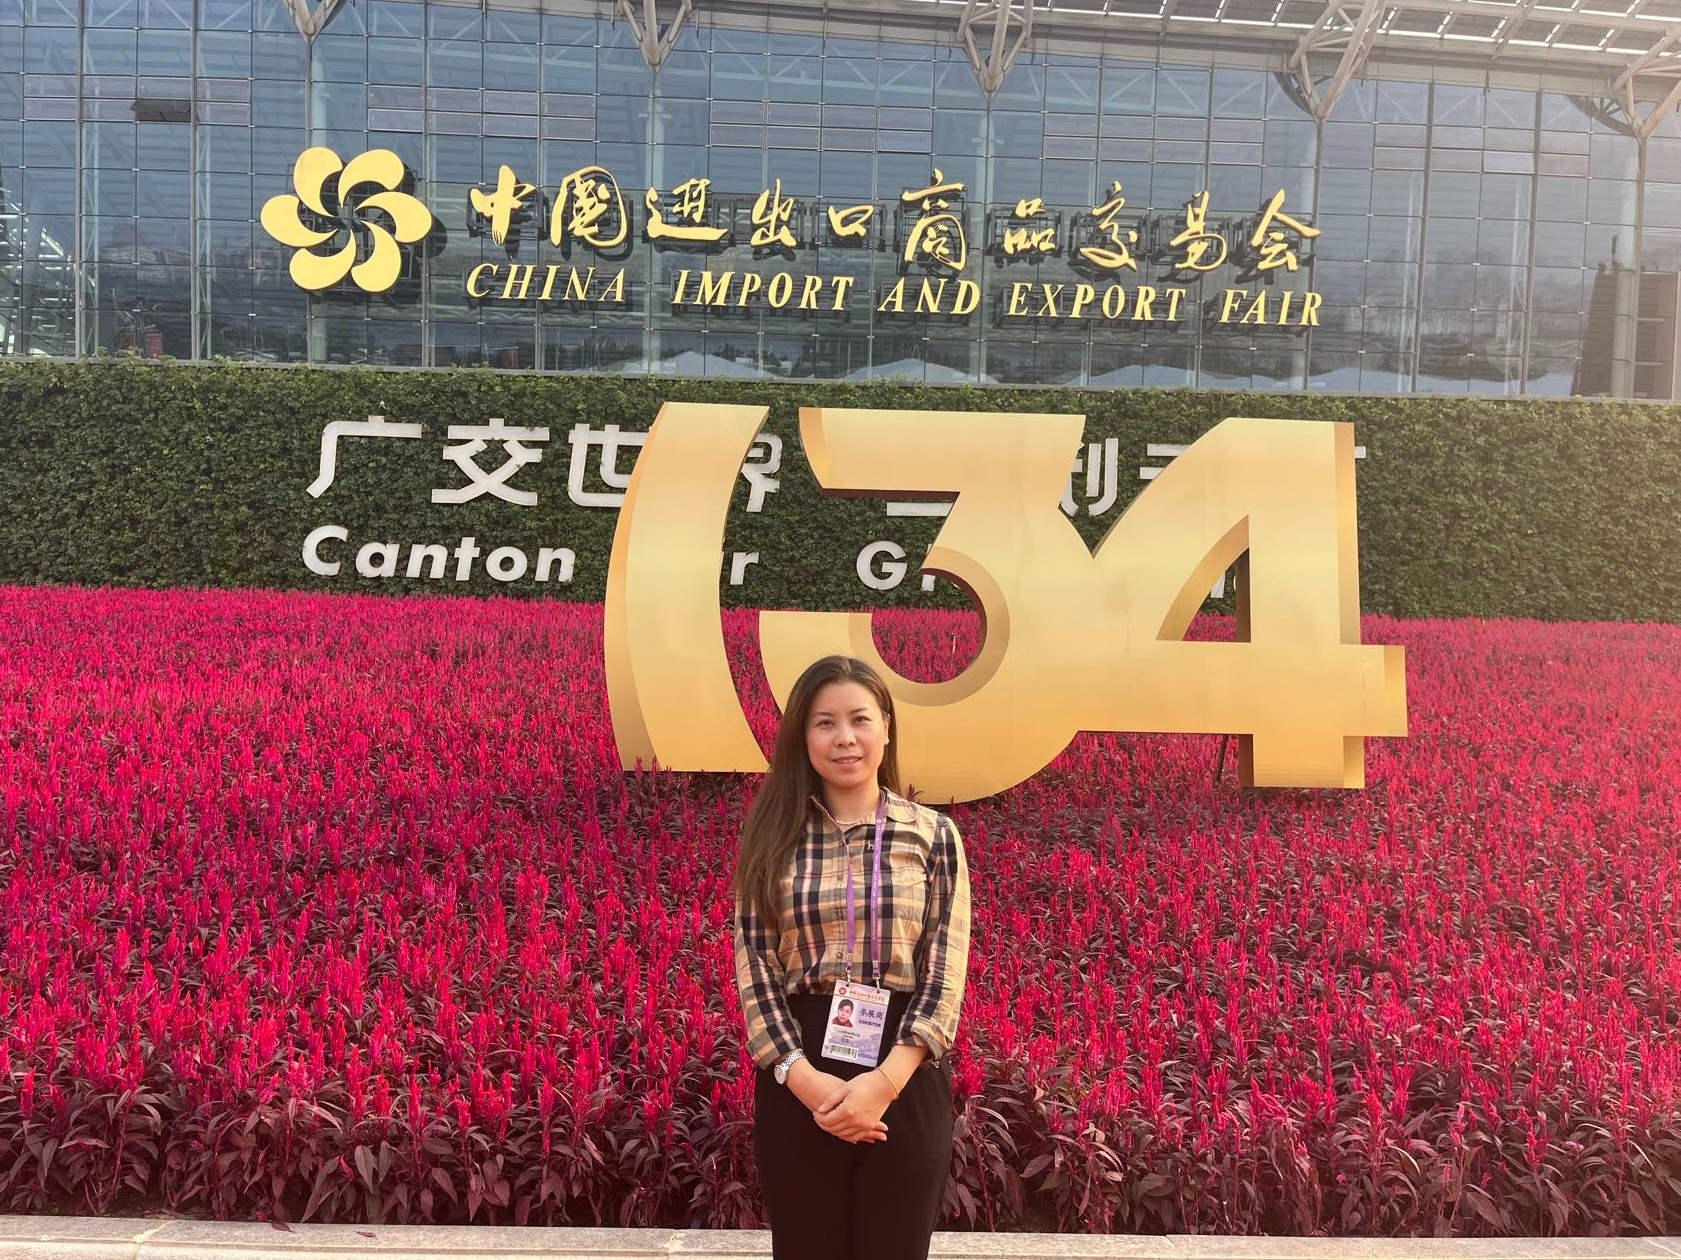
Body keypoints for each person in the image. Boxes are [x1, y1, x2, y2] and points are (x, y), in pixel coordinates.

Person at [732, 655, 972, 1260]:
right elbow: (756, 966)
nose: (845, 738)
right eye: (825, 723)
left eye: (860, 719)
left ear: (886, 727)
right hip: (799, 1068)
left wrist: (883, 1085)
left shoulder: (934, 836)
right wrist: (806, 1080)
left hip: (904, 1071)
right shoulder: (772, 836)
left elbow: (945, 973)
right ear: (802, 736)